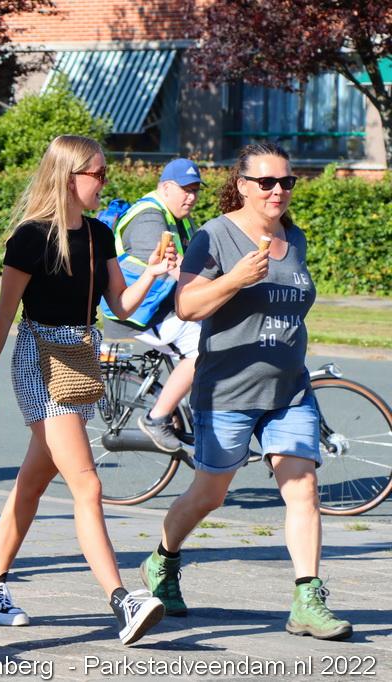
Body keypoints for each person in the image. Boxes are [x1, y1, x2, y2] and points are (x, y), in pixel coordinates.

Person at [141, 142, 352, 641]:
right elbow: (188, 306)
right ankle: (162, 560)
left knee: (302, 489)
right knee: (209, 495)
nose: (278, 191)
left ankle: (307, 600)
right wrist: (234, 279)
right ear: (242, 185)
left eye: (286, 182)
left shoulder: (293, 237)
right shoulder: (214, 236)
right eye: (267, 182)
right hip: (228, 392)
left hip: (289, 390)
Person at [0, 135, 172, 645]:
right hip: (40, 361)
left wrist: (151, 273)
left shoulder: (100, 234)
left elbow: (120, 307)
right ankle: (122, 600)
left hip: (80, 360)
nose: (105, 182)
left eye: (104, 173)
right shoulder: (30, 238)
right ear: (68, 176)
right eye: (97, 174)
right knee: (88, 484)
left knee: (32, 482)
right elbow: (3, 314)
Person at [103, 159, 203, 453]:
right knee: (203, 349)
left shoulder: (179, 216)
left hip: (161, 307)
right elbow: (175, 268)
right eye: (186, 189)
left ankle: (197, 415)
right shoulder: (149, 219)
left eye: (196, 190)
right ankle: (156, 418)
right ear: (166, 187)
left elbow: (200, 262)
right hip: (137, 313)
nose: (192, 197)